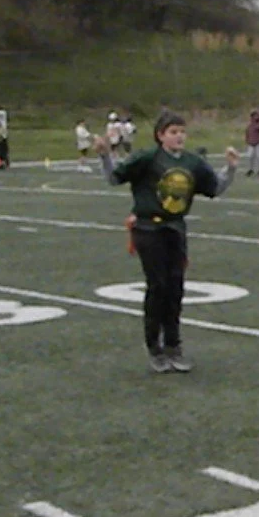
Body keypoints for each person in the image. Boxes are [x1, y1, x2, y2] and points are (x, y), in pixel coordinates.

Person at [96, 112, 239, 372]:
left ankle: (174, 345)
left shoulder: (192, 162)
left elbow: (215, 188)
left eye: (182, 131)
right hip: (148, 228)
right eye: (173, 132)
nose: (179, 136)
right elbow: (114, 177)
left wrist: (230, 168)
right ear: (160, 135)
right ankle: (155, 346)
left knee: (176, 288)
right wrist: (105, 154)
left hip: (175, 229)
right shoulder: (147, 158)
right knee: (158, 286)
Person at [244, 110, 259, 178]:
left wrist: (257, 120)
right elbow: (247, 132)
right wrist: (247, 140)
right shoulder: (249, 125)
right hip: (251, 143)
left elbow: (258, 127)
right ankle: (251, 169)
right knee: (250, 156)